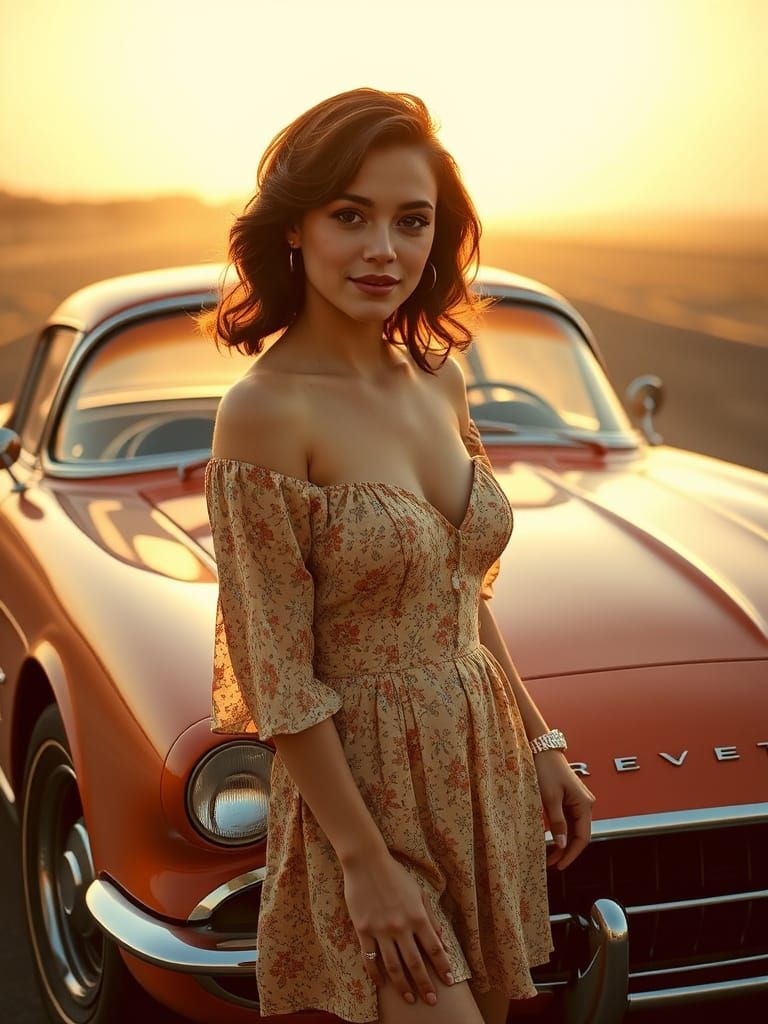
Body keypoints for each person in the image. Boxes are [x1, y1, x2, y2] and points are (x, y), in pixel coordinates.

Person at [196, 87, 596, 1024]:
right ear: (294, 228)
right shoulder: (263, 412)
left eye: (411, 222)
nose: (384, 250)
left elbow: (458, 591)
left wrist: (540, 742)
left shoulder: (436, 377)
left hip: (477, 768)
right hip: (361, 798)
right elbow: (276, 672)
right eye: (350, 216)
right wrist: (364, 863)